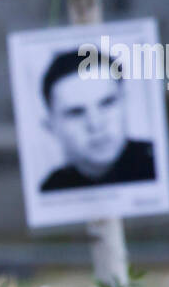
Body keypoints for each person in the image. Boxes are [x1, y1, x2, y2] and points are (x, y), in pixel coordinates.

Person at [38, 48, 155, 192]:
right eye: (76, 113)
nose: (95, 124)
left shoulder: (160, 164)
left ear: (126, 102)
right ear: (51, 127)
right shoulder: (50, 189)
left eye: (107, 103)